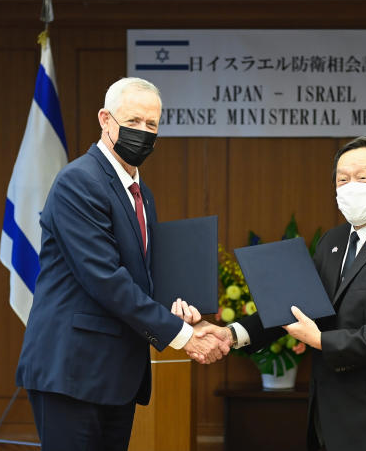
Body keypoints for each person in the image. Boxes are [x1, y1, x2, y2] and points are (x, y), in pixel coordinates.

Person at [15, 77, 228, 451]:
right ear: (105, 119)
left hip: (114, 375)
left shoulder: (141, 193)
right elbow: (105, 279)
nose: (143, 132)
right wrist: (184, 338)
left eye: (152, 125)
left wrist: (177, 311)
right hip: (73, 371)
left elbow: (140, 279)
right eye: (133, 122)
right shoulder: (79, 182)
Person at [199, 136, 366, 451]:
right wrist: (231, 335)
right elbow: (296, 306)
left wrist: (319, 340)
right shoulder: (334, 240)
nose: (350, 186)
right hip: (331, 417)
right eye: (342, 179)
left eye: (362, 178)